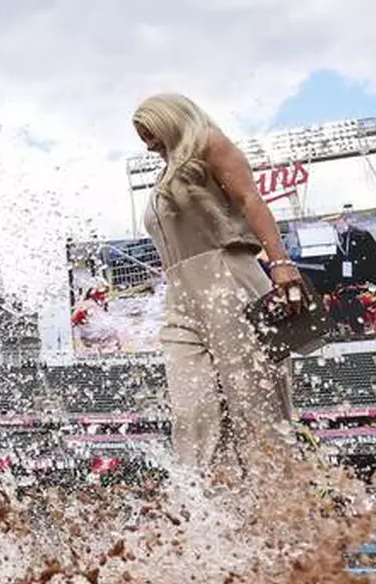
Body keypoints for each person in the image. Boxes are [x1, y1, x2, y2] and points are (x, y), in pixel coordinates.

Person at [132, 93, 300, 479]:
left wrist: (281, 262)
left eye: (150, 132)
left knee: (254, 403)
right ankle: (213, 513)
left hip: (228, 278)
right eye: (142, 137)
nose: (148, 144)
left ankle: (286, 506)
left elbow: (249, 198)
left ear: (170, 120)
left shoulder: (209, 143)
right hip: (181, 296)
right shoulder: (165, 176)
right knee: (191, 411)